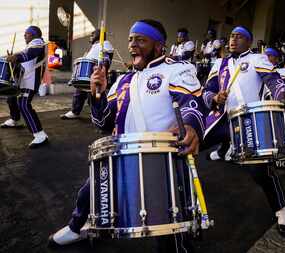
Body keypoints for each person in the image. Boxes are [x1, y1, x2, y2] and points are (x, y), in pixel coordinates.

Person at [48, 19, 205, 252]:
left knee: (168, 228)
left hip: (161, 159)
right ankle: (76, 227)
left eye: (141, 40)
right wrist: (98, 94)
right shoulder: (123, 80)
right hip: (121, 154)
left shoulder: (177, 69)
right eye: (131, 40)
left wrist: (191, 126)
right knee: (88, 192)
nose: (133, 45)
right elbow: (102, 122)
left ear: (159, 46)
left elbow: (191, 104)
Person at [202, 25, 285, 234]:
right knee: (189, 145)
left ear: (249, 41)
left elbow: (273, 80)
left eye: (239, 36)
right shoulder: (219, 63)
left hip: (248, 121)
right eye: (231, 36)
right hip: (221, 119)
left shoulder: (257, 59)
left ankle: (283, 210)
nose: (233, 39)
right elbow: (207, 91)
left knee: (260, 172)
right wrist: (215, 98)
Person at [0, 26, 49, 148]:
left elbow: (30, 54)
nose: (24, 36)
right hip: (24, 80)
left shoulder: (38, 42)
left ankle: (40, 135)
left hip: (30, 82)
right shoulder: (31, 44)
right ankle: (15, 119)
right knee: (11, 98)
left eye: (26, 34)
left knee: (24, 104)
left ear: (33, 34)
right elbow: (25, 57)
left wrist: (16, 57)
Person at [60, 29, 114, 119]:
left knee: (95, 96)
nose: (91, 35)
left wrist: (104, 69)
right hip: (87, 74)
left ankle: (99, 116)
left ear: (100, 35)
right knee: (80, 92)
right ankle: (75, 112)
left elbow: (106, 58)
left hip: (96, 73)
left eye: (93, 34)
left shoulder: (105, 44)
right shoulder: (95, 46)